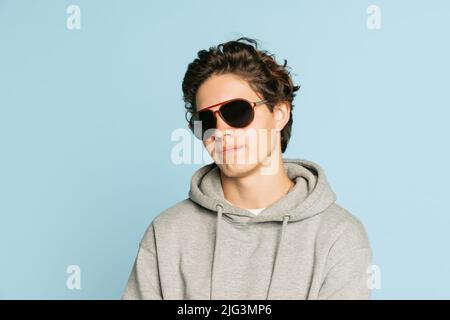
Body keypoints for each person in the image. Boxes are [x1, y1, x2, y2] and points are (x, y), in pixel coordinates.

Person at [122, 37, 372, 300]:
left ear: (279, 114)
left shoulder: (338, 235)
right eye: (206, 121)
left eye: (237, 112)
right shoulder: (167, 233)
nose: (220, 132)